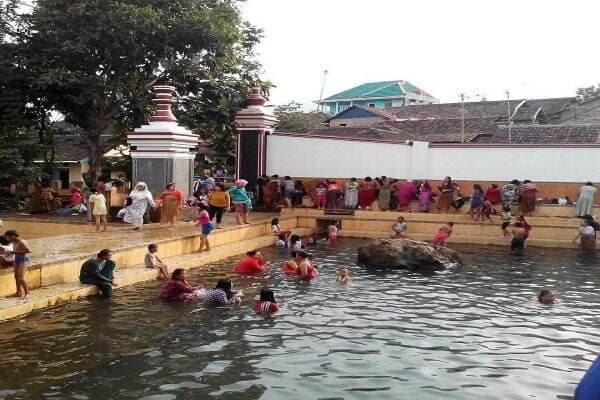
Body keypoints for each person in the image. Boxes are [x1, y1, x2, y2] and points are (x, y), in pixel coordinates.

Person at [4, 230, 31, 298]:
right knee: (16, 276)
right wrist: (12, 252)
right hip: (16, 259)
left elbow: (29, 250)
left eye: (8, 237)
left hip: (24, 259)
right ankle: (18, 292)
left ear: (13, 236)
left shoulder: (22, 242)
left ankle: (27, 293)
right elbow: (16, 251)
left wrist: (14, 252)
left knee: (21, 277)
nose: (7, 239)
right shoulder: (13, 242)